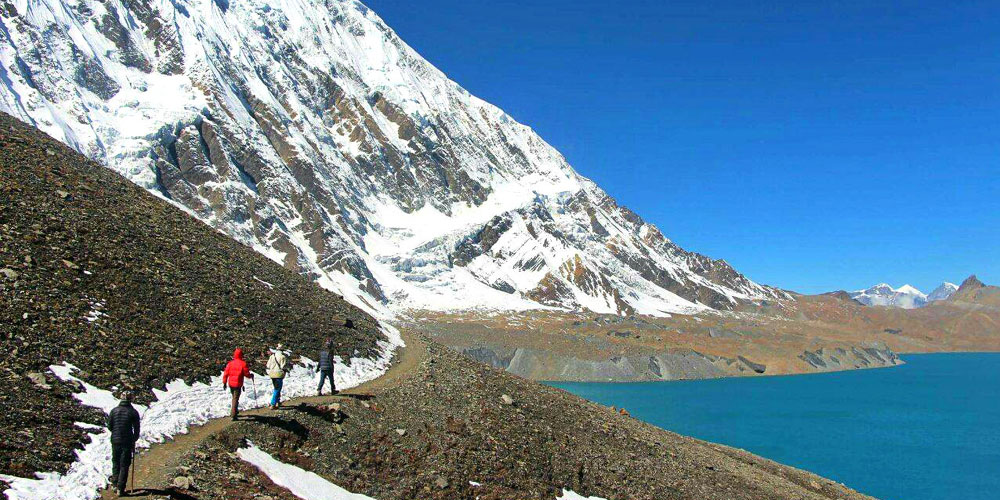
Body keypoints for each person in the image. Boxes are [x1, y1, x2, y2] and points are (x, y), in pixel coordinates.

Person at [107, 391, 140, 496]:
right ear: (130, 399)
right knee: (124, 464)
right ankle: (120, 488)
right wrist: (134, 439)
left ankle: (114, 484)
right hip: (127, 441)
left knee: (115, 462)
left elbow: (109, 426)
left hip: (115, 440)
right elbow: (136, 428)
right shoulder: (133, 412)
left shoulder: (114, 411)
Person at [222, 348, 254, 420]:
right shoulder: (243, 363)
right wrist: (251, 376)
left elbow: (226, 374)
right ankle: (233, 415)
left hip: (231, 383)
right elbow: (246, 374)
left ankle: (235, 411)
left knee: (234, 397)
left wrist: (224, 382)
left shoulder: (230, 363)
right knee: (235, 398)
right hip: (238, 384)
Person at [266, 344, 288, 409]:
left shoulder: (272, 356)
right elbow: (283, 366)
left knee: (276, 387)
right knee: (277, 389)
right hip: (279, 374)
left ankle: (278, 401)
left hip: (272, 374)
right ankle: (273, 403)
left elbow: (268, 365)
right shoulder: (283, 357)